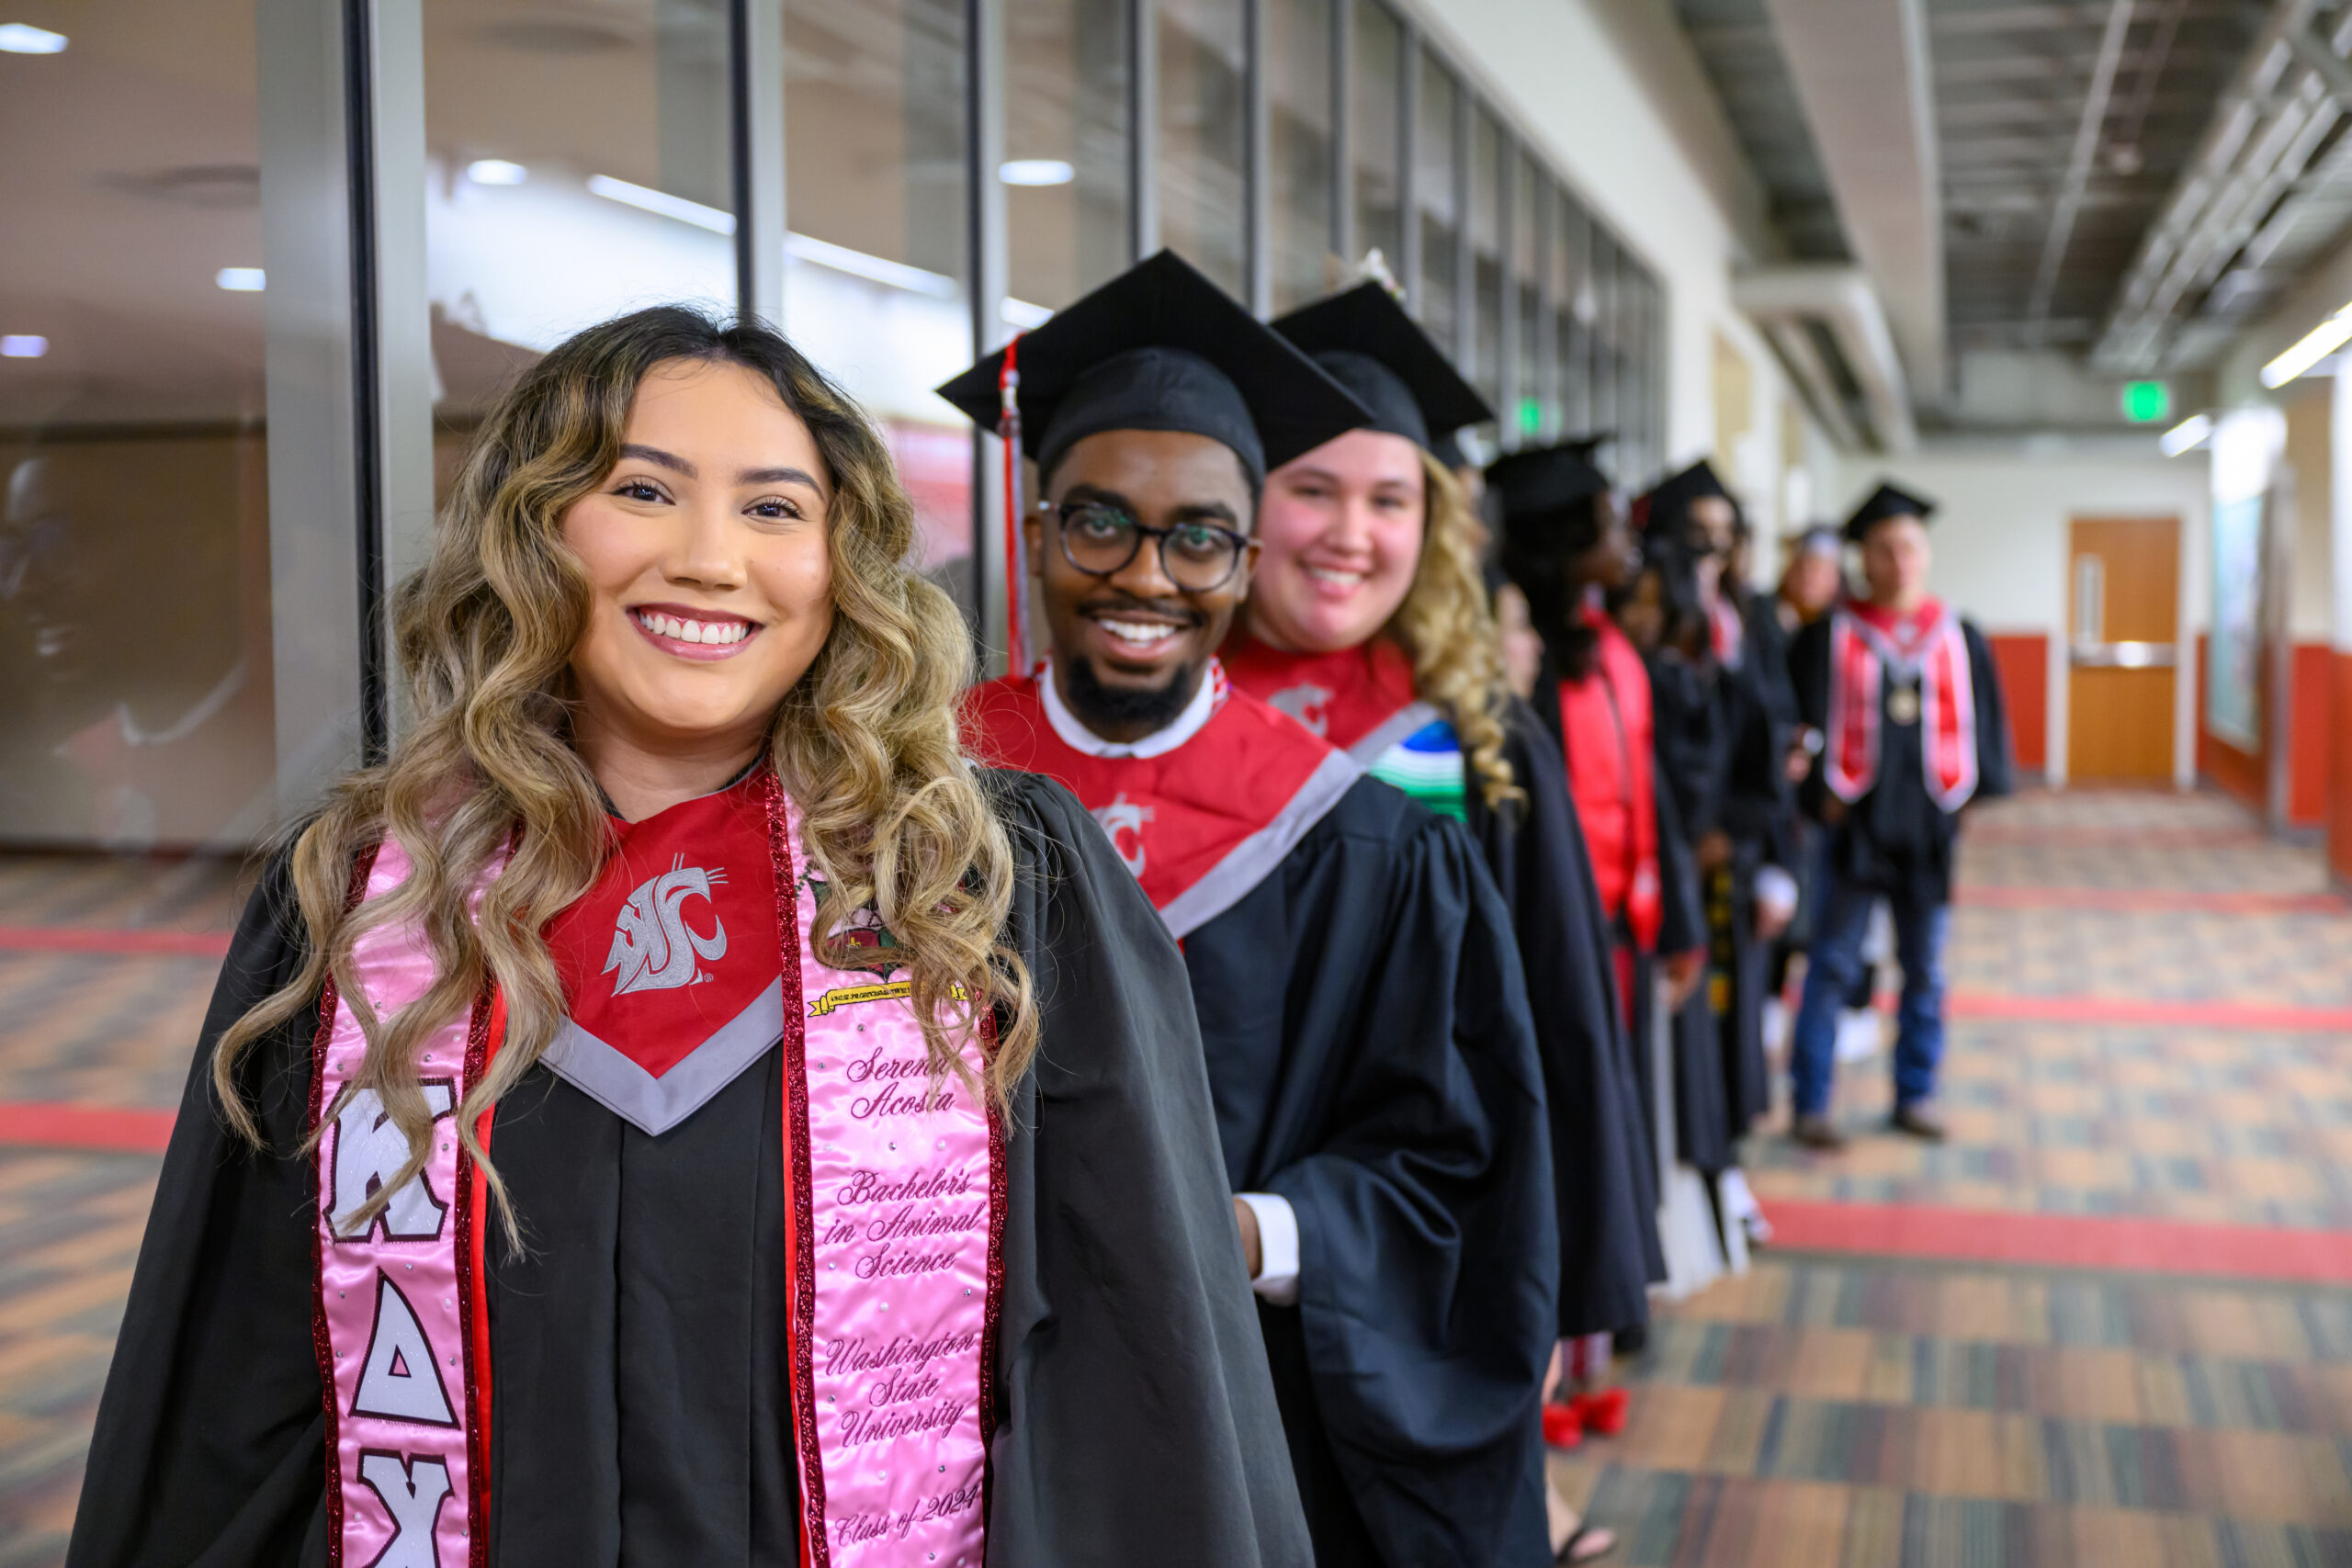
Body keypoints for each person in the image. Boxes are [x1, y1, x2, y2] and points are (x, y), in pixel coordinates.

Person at [67, 307, 1312, 1568]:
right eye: (642, 489)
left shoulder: (987, 885)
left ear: (845, 562)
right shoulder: (365, 895)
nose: (711, 558)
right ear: (535, 527)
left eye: (775, 508)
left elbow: (1131, 1365)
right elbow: (240, 1386)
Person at [945, 252, 1558, 1568]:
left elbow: (1449, 1167)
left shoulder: (1364, 841)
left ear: (1244, 555)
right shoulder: (916, 792)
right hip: (942, 1390)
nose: (1145, 577)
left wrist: (1254, 1232)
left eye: (1200, 536)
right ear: (1038, 530)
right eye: (1099, 522)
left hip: (1250, 1399)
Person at [1220, 280, 1657, 1562]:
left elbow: (1555, 1046)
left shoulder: (1477, 743)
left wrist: (1535, 1309)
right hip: (1191, 1264)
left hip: (1421, 1262)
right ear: (1240, 498)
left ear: (1435, 521)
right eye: (1311, 488)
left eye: (1391, 497)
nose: (1350, 531)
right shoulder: (1151, 730)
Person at [1786, 482, 2013, 1149]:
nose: (1900, 560)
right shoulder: (1828, 634)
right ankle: (1812, 1102)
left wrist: (1970, 796)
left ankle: (1915, 1092)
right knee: (1832, 963)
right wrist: (1811, 794)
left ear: (1926, 552)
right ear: (1865, 558)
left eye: (1910, 546)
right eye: (1884, 549)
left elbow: (1986, 728)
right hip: (1853, 827)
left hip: (1929, 827)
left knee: (1927, 968)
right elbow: (1794, 722)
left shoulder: (1959, 634)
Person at [1640, 462, 1801, 1247]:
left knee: (1732, 1026)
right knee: (1690, 1032)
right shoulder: (1649, 623)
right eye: (1694, 533)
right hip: (1667, 851)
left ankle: (1728, 1172)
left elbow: (1771, 736)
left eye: (1723, 533)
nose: (1710, 548)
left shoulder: (1750, 619)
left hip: (1728, 852)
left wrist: (1754, 845)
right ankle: (1700, 1190)